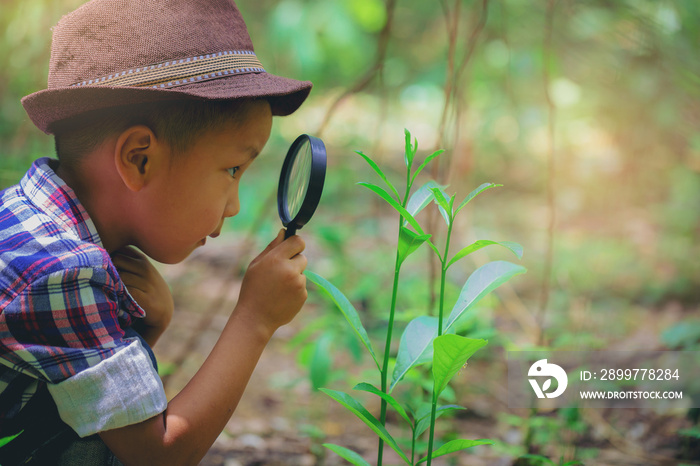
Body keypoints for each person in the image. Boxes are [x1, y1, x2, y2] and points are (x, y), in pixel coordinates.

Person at [0, 0, 313, 464]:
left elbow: (90, 408)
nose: (235, 205)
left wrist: (145, 328)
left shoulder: (25, 218)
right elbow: (156, 455)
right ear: (138, 159)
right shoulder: (61, 272)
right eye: (231, 169)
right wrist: (255, 319)